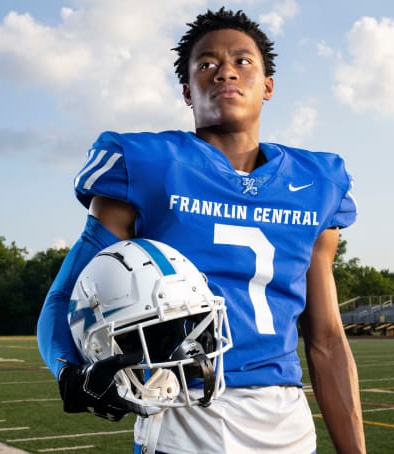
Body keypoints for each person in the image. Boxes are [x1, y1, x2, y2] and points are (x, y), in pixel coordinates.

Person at [37, 7, 366, 453]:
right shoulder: (150, 166)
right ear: (188, 92)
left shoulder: (316, 183)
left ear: (268, 86)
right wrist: (67, 370)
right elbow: (66, 294)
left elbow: (326, 339)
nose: (225, 71)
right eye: (207, 64)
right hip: (184, 415)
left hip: (287, 426)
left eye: (242, 61)